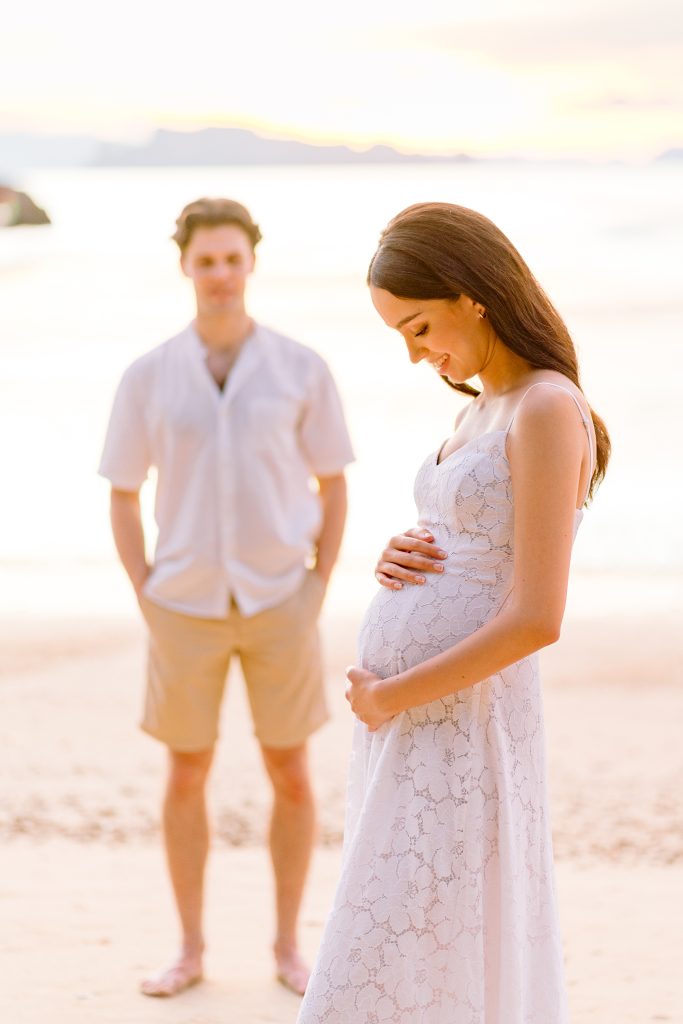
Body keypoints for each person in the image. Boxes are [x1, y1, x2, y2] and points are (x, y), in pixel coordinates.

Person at [297, 202, 610, 1023]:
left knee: (394, 938)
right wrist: (400, 555)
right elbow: (474, 545)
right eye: (399, 335)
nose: (414, 353)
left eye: (419, 325)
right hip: (414, 722)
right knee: (414, 933)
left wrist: (391, 694)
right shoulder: (476, 409)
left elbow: (537, 615)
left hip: (463, 721)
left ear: (473, 294)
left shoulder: (546, 406)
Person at [98, 197, 354, 998]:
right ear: (185, 265)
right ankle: (190, 949)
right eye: (205, 260)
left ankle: (286, 947)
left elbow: (334, 482)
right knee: (185, 772)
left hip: (282, 598)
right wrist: (146, 593)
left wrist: (317, 586)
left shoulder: (300, 367)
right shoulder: (147, 375)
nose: (219, 275)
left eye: (232, 260)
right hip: (183, 605)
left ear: (252, 263)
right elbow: (122, 492)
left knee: (290, 771)